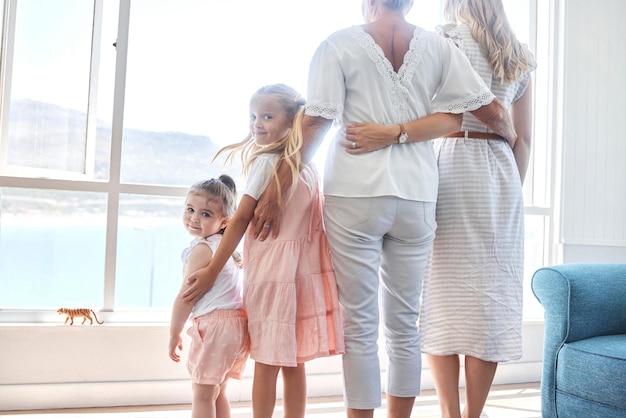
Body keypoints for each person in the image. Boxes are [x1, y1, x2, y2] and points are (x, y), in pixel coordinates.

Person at [247, 2, 519, 417]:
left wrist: (277, 188)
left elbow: (317, 122)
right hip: (417, 194)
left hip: (355, 194)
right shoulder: (438, 47)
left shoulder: (336, 44)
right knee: (404, 325)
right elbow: (479, 111)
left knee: (360, 324)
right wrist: (509, 137)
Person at [183, 84, 345, 418]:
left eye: (267, 116)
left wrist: (213, 269)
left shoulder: (267, 163)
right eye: (254, 116)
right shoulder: (308, 169)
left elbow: (240, 218)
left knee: (269, 362)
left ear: (293, 122)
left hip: (273, 278)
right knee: (294, 362)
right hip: (302, 277)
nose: (257, 123)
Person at [418, 1, 537, 418]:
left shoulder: (443, 39)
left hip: (451, 162)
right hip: (499, 171)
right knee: (490, 298)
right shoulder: (517, 52)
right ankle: (473, 414)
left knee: (441, 295)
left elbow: (425, 112)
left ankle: (451, 412)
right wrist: (508, 191)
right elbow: (522, 140)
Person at [168, 175, 249, 418]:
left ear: (224, 221)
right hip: (237, 328)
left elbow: (186, 297)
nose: (194, 218)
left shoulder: (202, 249)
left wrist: (174, 333)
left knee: (202, 395)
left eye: (205, 214)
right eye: (190, 209)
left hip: (216, 329)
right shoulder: (225, 250)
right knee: (217, 392)